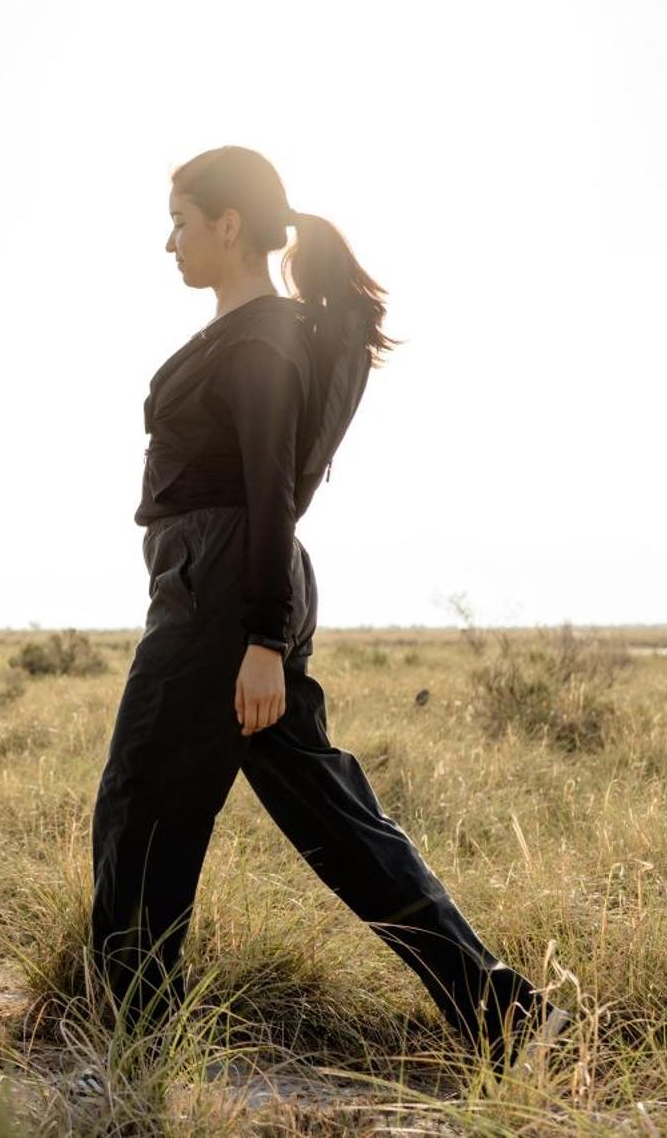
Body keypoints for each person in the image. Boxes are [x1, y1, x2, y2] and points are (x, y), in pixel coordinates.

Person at [85, 145, 562, 1065]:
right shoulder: (263, 331)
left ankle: (132, 1044)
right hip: (233, 584)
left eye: (181, 220)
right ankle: (504, 1013)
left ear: (228, 226)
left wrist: (261, 638)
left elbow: (269, 487)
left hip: (225, 591)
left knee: (140, 804)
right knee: (336, 821)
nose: (168, 241)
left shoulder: (262, 338)